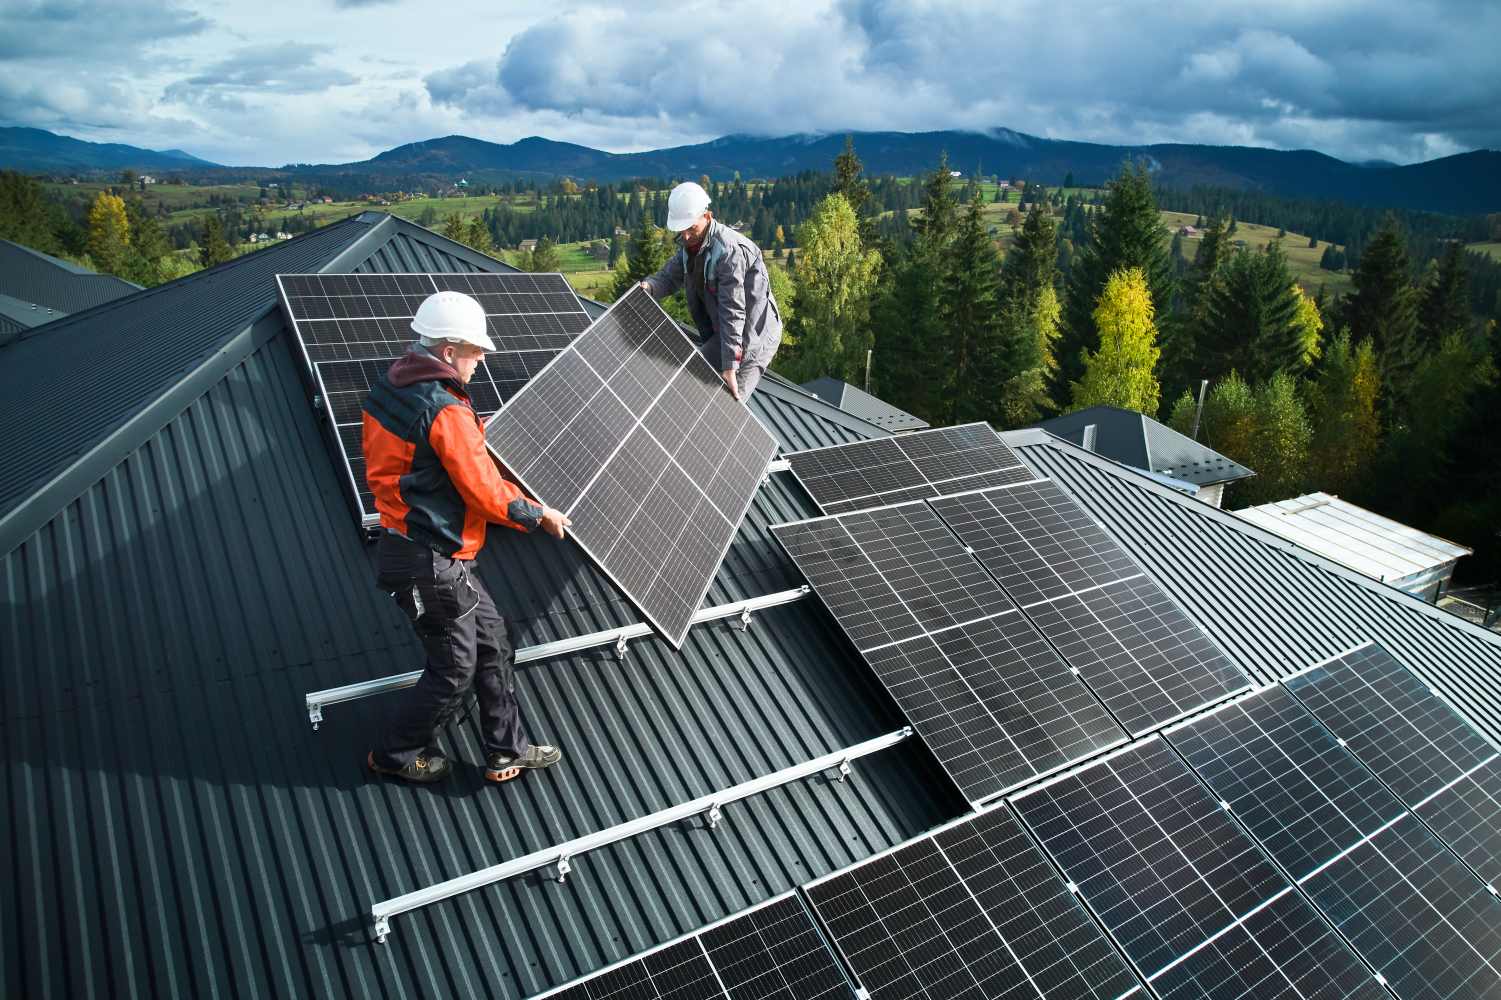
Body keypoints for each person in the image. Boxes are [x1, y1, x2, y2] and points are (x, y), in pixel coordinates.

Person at [361, 290, 570, 785]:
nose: (482, 360)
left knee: (494, 645)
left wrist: (469, 436)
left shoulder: (394, 383)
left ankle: (505, 751)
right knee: (454, 670)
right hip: (425, 561)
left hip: (434, 556)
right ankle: (394, 754)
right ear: (449, 350)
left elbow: (424, 454)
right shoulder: (445, 410)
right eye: (477, 351)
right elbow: (483, 493)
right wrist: (538, 514)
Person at [639, 181, 782, 400]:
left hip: (753, 337)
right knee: (691, 380)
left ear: (707, 217)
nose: (685, 236)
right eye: (681, 231)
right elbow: (668, 277)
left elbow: (732, 310)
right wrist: (648, 287)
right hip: (725, 334)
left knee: (729, 402)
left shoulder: (728, 252)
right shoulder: (692, 247)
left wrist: (730, 366)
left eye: (690, 229)